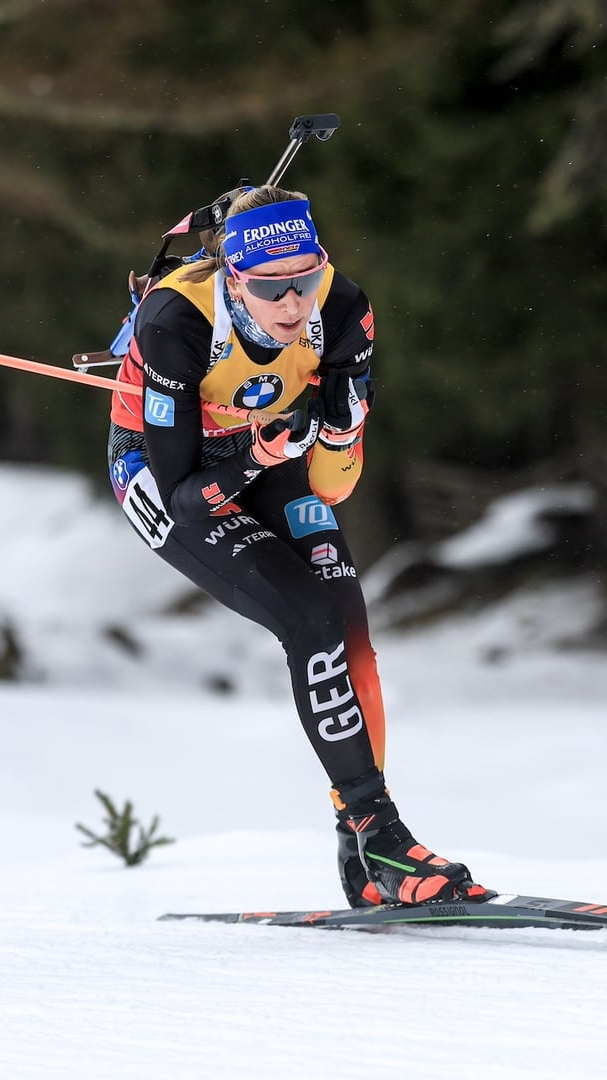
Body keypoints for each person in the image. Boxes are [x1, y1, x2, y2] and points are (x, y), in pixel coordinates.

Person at [106, 184, 490, 908]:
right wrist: (256, 453)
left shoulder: (342, 309)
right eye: (269, 287)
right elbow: (185, 497)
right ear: (232, 280)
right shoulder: (176, 323)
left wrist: (341, 429)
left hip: (268, 454)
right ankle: (384, 834)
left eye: (305, 279)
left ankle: (364, 852)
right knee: (308, 617)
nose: (291, 304)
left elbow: (335, 486)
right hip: (166, 473)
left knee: (349, 628)